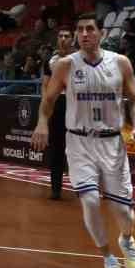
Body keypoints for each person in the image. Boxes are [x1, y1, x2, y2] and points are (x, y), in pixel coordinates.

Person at [30, 13, 135, 268]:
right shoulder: (65, 65)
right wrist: (42, 123)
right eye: (79, 29)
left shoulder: (120, 63)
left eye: (90, 29)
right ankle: (109, 260)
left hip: (112, 143)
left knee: (124, 213)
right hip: (79, 141)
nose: (84, 34)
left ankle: (126, 239)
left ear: (101, 33)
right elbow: (48, 100)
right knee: (90, 200)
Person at [44, 28, 73, 200]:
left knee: (82, 147)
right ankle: (56, 188)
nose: (63, 39)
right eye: (60, 36)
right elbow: (45, 85)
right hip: (57, 105)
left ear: (72, 39)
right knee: (56, 147)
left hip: (76, 106)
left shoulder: (80, 59)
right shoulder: (50, 60)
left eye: (67, 36)